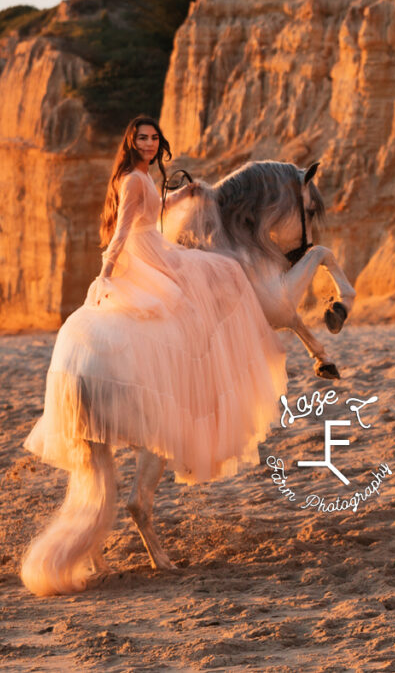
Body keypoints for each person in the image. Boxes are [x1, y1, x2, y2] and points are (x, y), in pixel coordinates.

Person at [23, 114, 287, 485]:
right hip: (146, 253)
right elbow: (123, 230)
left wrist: (183, 195)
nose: (148, 143)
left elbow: (155, 206)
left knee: (212, 280)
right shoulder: (132, 179)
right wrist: (106, 271)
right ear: (132, 142)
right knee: (224, 273)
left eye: (153, 138)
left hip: (154, 246)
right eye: (142, 138)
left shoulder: (141, 177)